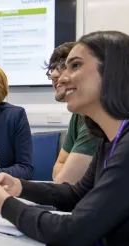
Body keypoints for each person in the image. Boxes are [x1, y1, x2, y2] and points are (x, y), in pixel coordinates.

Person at [0, 31, 129, 246]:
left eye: (75, 66)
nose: (61, 78)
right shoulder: (109, 139)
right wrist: (20, 187)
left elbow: (75, 232)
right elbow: (76, 195)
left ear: (114, 71)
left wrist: (5, 205)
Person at [46, 42, 100, 184]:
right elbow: (59, 167)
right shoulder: (79, 113)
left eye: (64, 66)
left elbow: (66, 181)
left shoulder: (96, 116)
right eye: (52, 69)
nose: (55, 75)